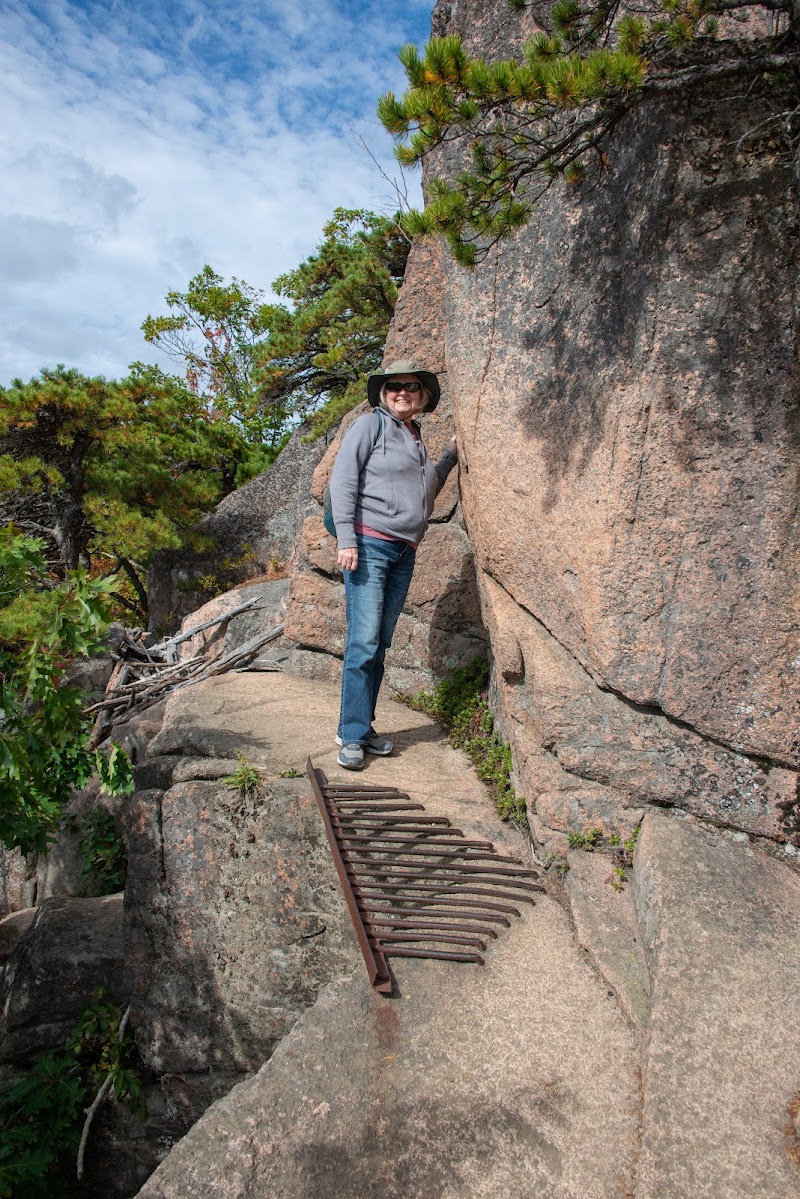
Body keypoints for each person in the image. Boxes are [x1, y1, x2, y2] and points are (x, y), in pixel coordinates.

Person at [329, 359, 458, 770]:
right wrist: (347, 540)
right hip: (369, 546)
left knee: (379, 643)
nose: (402, 392)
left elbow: (426, 485)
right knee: (363, 642)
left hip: (403, 552)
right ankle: (350, 734)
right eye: (394, 387)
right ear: (384, 395)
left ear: (422, 397)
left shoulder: (414, 436)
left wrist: (450, 457)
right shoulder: (371, 426)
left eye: (411, 387)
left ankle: (363, 728)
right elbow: (343, 479)